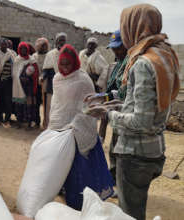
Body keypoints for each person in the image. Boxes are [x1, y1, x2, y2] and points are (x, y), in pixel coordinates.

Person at [87, 4, 180, 220]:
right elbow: (142, 103)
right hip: (154, 149)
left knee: (130, 214)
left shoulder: (142, 63)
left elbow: (141, 121)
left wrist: (107, 114)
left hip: (135, 153)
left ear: (134, 27)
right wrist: (109, 102)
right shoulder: (165, 55)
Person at [49, 44, 114, 210]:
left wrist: (75, 125)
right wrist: (54, 125)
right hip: (59, 131)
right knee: (60, 176)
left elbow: (89, 109)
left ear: (75, 63)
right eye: (61, 64)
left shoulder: (83, 80)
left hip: (78, 136)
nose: (64, 68)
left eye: (67, 64)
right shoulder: (56, 79)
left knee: (79, 180)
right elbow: (56, 105)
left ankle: (80, 209)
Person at [85, 30, 128, 194]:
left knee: (120, 150)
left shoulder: (131, 66)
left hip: (126, 116)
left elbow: (122, 94)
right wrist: (100, 97)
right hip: (116, 114)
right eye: (114, 49)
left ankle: (120, 185)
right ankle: (114, 180)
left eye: (119, 48)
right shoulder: (117, 66)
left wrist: (105, 99)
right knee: (114, 148)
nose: (116, 52)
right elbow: (113, 92)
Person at [42, 32, 67, 129]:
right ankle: (49, 126)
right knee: (50, 107)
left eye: (63, 41)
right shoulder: (50, 54)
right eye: (60, 40)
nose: (62, 42)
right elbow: (46, 70)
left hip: (65, 84)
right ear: (56, 41)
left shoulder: (68, 53)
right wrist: (42, 76)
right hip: (52, 85)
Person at [12, 42, 38, 129]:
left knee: (29, 105)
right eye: (21, 48)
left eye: (25, 48)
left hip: (28, 86)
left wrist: (28, 79)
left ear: (27, 49)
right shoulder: (17, 59)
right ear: (19, 49)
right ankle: (19, 122)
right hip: (18, 86)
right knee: (18, 104)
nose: (23, 50)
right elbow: (14, 73)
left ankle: (29, 123)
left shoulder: (32, 60)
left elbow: (35, 74)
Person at [0, 38, 15, 128]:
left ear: (7, 45)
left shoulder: (11, 54)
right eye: (2, 44)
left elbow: (15, 66)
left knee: (8, 101)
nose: (4, 46)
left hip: (8, 81)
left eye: (5, 44)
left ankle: (6, 120)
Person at [32, 38, 50, 129]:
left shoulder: (49, 56)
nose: (42, 47)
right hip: (35, 84)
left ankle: (46, 123)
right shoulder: (34, 56)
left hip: (45, 83)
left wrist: (43, 76)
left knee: (46, 104)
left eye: (44, 46)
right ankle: (36, 121)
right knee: (36, 104)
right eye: (41, 46)